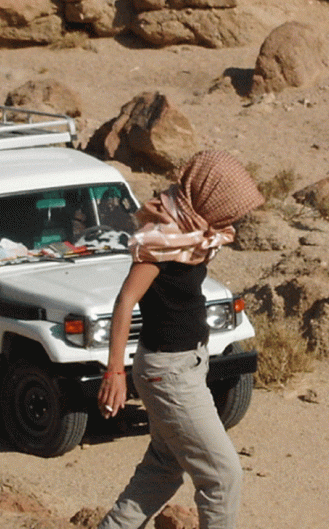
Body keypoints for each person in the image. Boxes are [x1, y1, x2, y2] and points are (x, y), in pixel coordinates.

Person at [97, 150, 265, 529]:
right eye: (229, 207)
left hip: (185, 365)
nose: (233, 218)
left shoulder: (189, 232)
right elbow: (125, 301)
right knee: (223, 477)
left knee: (163, 466)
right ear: (208, 197)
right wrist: (114, 373)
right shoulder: (159, 239)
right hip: (168, 373)